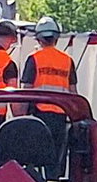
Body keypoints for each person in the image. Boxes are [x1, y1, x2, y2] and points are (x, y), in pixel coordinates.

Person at [18, 15, 77, 156]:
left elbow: (27, 91)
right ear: (56, 37)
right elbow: (73, 93)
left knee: (36, 156)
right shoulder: (67, 61)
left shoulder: (34, 59)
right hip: (60, 117)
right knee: (55, 158)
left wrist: (20, 116)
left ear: (39, 38)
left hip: (38, 116)